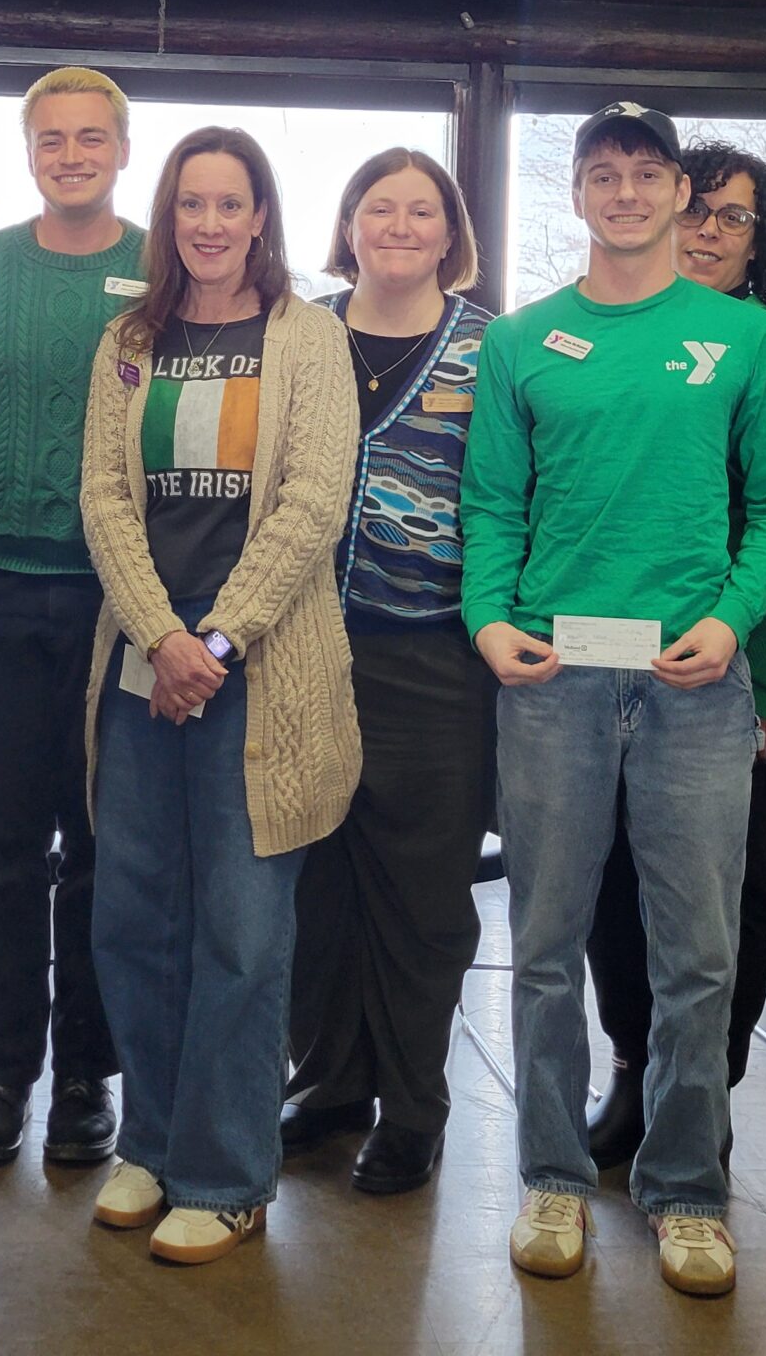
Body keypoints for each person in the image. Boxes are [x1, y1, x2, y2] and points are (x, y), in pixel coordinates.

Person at [460, 101, 766, 1298]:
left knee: (697, 955)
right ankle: (552, 1179)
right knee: (546, 946)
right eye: (601, 174)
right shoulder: (520, 342)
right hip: (552, 681)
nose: (625, 192)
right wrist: (487, 620)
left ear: (678, 196)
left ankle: (685, 1193)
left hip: (691, 685)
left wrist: (728, 625)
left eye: (646, 173)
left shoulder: (743, 341)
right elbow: (492, 506)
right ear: (576, 195)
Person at [78, 125, 360, 1265]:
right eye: (189, 203)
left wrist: (218, 639)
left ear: (259, 218)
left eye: (228, 204)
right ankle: (149, 1145)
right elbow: (103, 496)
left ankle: (230, 1173)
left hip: (261, 676)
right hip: (142, 675)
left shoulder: (309, 339)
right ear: (169, 217)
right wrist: (160, 637)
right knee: (133, 921)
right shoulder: (128, 339)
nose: (207, 223)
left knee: (242, 936)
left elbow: (312, 502)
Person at [581, 142, 766, 1167]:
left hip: (742, 670)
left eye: (732, 219)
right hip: (605, 655)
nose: (705, 232)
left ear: (761, 241)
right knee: (611, 869)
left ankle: (702, 1088)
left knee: (712, 879)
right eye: (696, 209)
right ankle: (630, 1068)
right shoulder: (615, 331)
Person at [0, 67, 143, 1166]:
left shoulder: (163, 268)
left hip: (124, 599)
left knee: (105, 851)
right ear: (28, 152)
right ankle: (0, 1075)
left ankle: (87, 1083)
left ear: (120, 148)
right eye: (51, 137)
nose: (71, 153)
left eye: (90, 136)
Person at [281, 149, 495, 1195]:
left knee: (420, 897)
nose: (400, 225)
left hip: (437, 658)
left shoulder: (492, 351)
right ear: (349, 222)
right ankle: (327, 1086)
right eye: (380, 207)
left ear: (451, 232)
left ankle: (412, 1110)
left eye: (423, 210)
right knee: (313, 883)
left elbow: (514, 501)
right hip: (302, 648)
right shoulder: (299, 333)